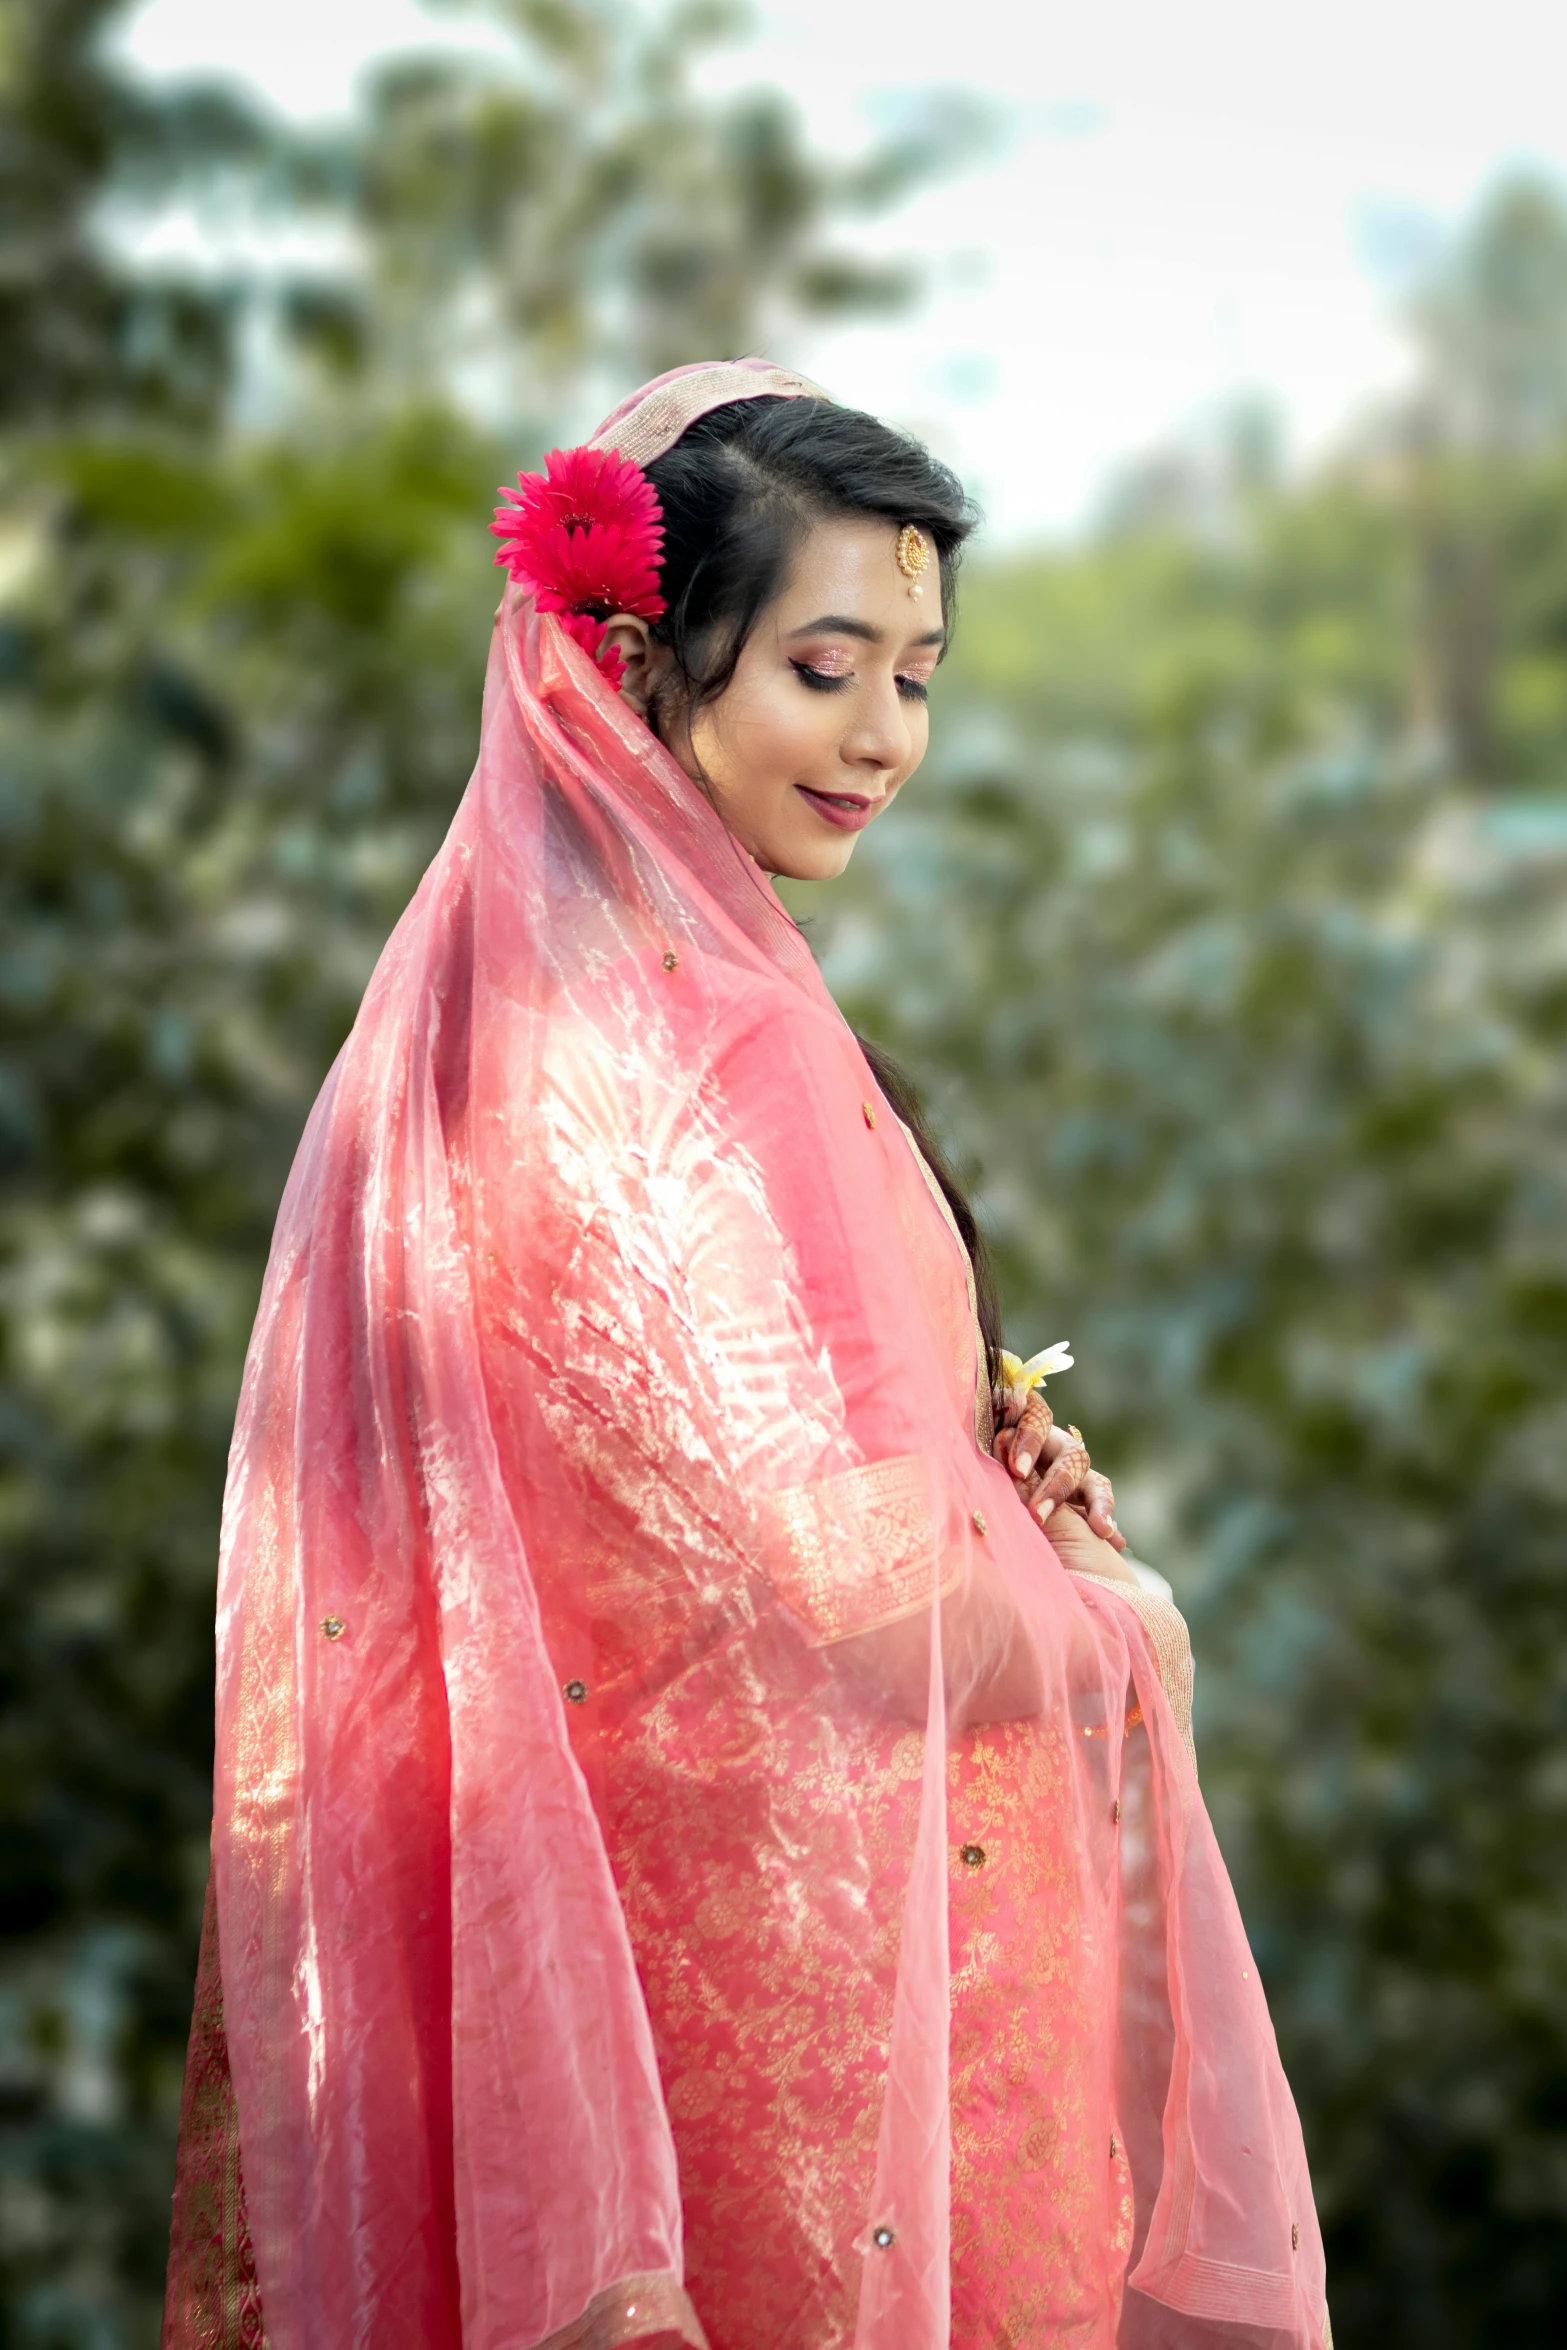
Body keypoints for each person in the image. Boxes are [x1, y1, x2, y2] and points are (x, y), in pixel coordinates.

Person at [162, 360, 1330, 2350]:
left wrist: (984, 1482)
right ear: (649, 648)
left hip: (565, 2019)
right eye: (824, 664)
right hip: (793, 2071)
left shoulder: (474, 1025)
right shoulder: (732, 1054)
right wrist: (1114, 1615)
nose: (885, 734)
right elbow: (861, 1596)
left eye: (920, 676)